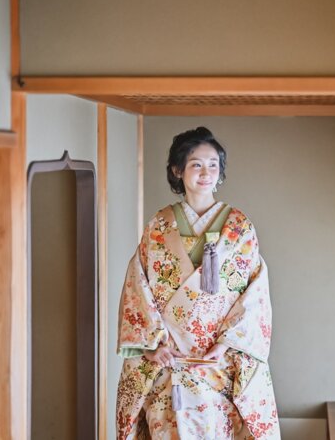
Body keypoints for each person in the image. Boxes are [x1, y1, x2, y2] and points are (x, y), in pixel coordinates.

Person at [115, 127, 280, 440]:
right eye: (196, 164)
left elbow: (255, 294)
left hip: (219, 362)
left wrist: (225, 344)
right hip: (169, 360)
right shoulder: (159, 225)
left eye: (213, 165)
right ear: (178, 170)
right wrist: (152, 346)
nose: (206, 173)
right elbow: (138, 285)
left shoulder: (239, 227)